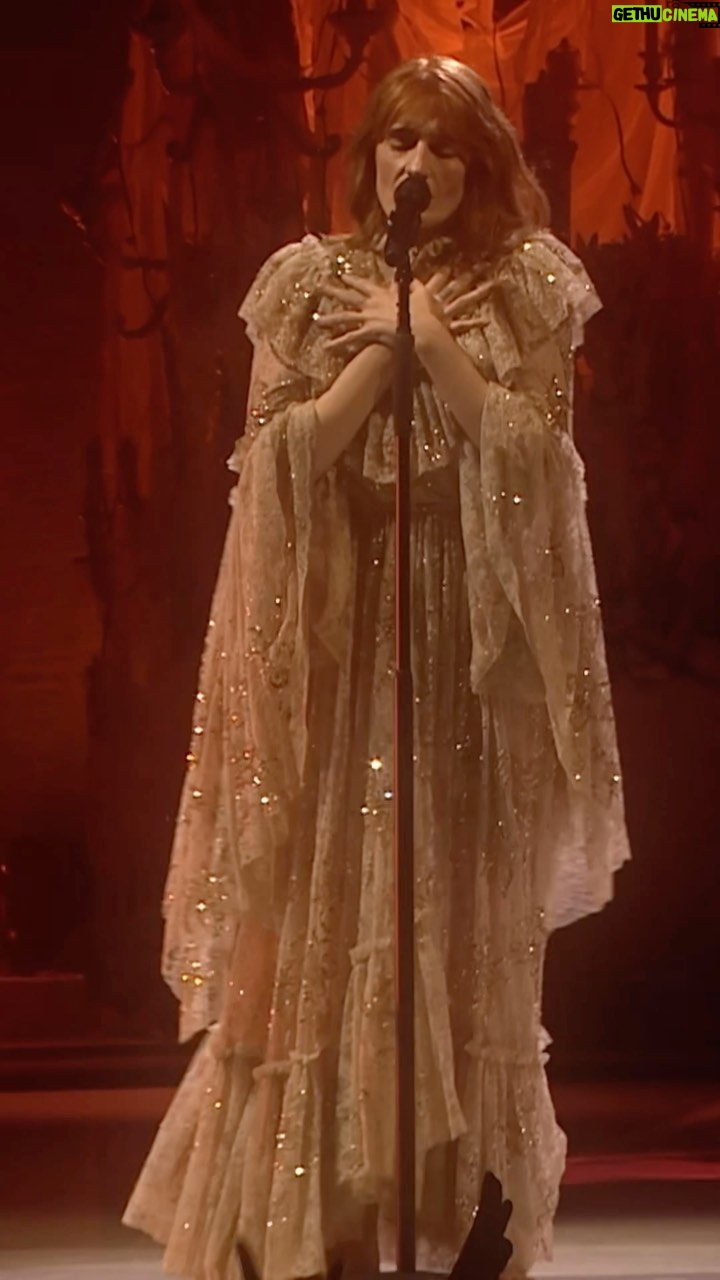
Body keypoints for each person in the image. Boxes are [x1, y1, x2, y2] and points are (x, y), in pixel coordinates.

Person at [123, 55, 630, 1280]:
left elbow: (541, 464)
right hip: (345, 654)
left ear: (482, 165)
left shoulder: (528, 285)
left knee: (449, 919)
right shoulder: (307, 283)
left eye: (446, 146)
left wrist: (439, 347)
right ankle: (315, 1219)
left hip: (466, 659)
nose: (420, 166)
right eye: (402, 142)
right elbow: (274, 463)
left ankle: (449, 1211)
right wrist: (375, 363)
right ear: (370, 161)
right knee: (327, 915)